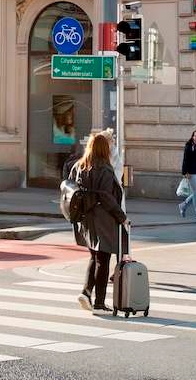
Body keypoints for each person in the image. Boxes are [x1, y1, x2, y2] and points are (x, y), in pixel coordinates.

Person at [66, 131, 129, 313]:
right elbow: (107, 198)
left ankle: (86, 293)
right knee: (103, 258)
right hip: (103, 219)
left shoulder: (79, 166)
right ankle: (99, 303)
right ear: (104, 149)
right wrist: (122, 217)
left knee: (94, 256)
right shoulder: (105, 169)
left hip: (86, 219)